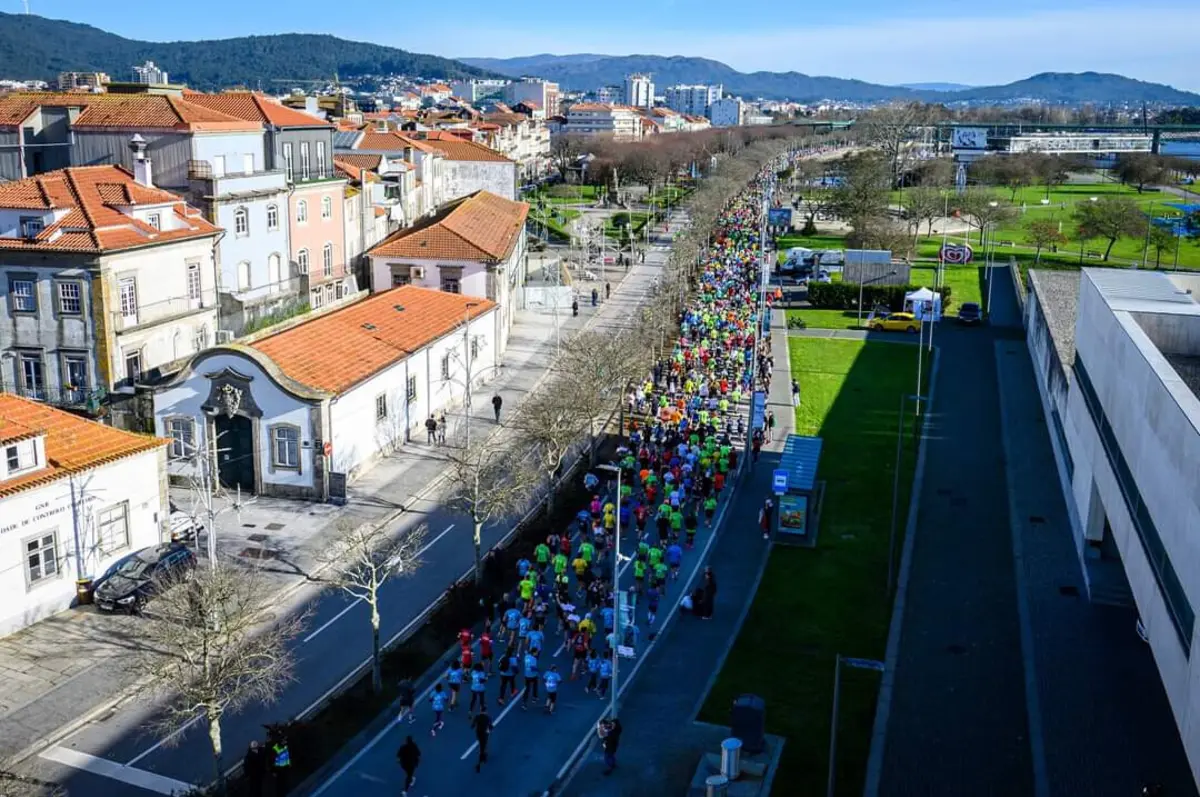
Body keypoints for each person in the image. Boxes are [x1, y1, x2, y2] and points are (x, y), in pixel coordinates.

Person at [472, 707, 494, 772]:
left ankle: (483, 756)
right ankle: (480, 762)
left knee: (482, 746)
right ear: (486, 711)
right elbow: (491, 727)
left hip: (478, 733)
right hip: (484, 734)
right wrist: (489, 730)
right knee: (483, 746)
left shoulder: (477, 716)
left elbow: (473, 725)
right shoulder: (487, 718)